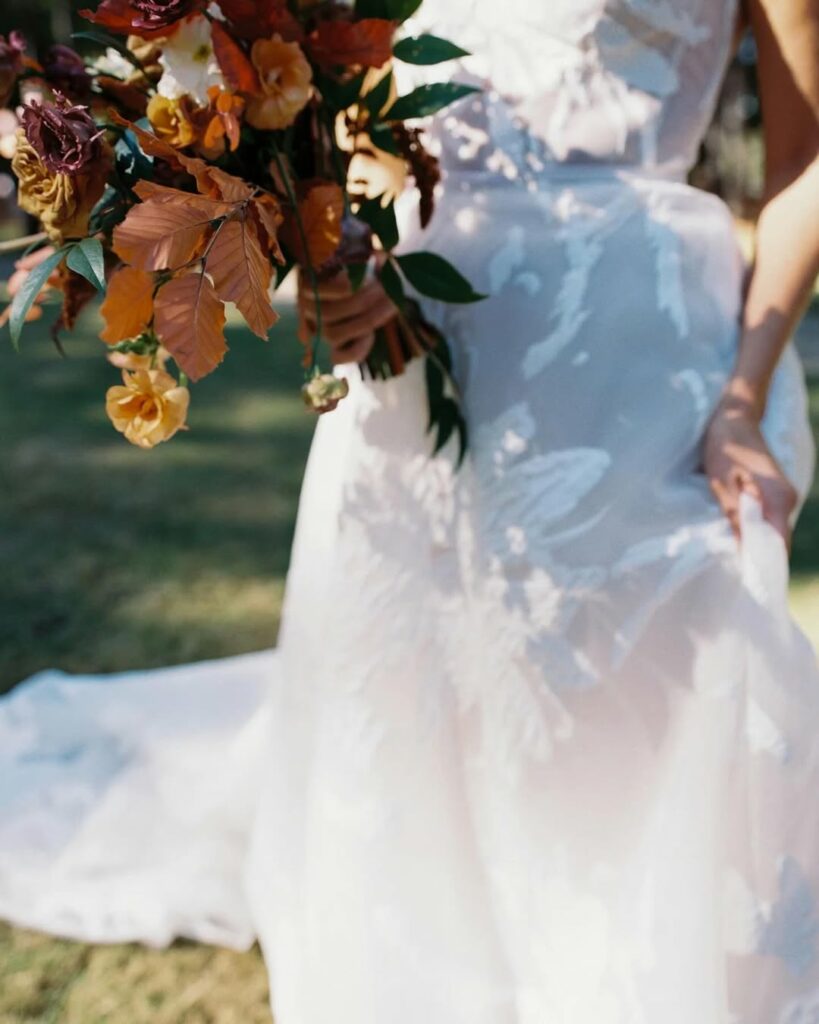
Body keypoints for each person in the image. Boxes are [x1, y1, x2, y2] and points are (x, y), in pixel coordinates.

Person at [1, 0, 819, 1021]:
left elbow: (804, 162)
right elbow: (364, 120)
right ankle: (430, 942)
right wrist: (347, 259)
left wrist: (742, 400)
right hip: (422, 319)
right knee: (419, 656)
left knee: (644, 658)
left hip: (636, 341)